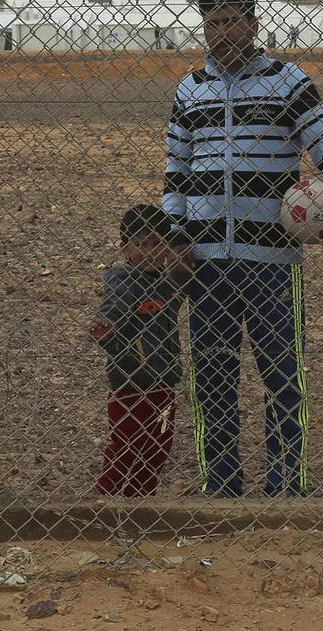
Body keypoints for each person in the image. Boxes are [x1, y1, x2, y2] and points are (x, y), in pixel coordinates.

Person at [162, 0, 323, 497]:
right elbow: (176, 171)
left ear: (254, 23)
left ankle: (285, 488)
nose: (220, 33)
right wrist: (175, 234)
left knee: (283, 379)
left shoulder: (288, 82)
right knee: (212, 381)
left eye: (231, 21)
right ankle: (222, 487)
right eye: (211, 24)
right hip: (204, 262)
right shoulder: (190, 90)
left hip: (273, 260)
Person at [88, 205, 190, 497]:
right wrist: (104, 331)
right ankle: (106, 495)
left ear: (169, 246)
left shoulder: (165, 281)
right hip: (131, 382)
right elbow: (109, 315)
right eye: (141, 244)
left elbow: (182, 287)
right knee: (127, 443)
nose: (149, 251)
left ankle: (141, 498)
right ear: (124, 248)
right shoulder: (124, 282)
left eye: (157, 243)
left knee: (159, 444)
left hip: (163, 381)